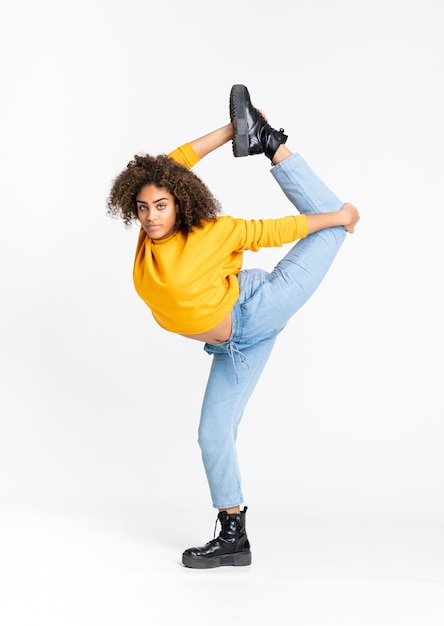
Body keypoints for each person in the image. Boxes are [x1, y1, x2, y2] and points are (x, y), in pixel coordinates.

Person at [107, 84, 360, 569]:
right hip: (235, 348)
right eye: (143, 207)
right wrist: (230, 130)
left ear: (178, 203)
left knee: (329, 226)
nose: (152, 216)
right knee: (212, 433)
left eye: (161, 205)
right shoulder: (146, 243)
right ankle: (233, 536)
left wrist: (341, 216)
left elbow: (274, 231)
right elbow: (170, 162)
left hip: (259, 307)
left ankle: (273, 145)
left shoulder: (209, 232)